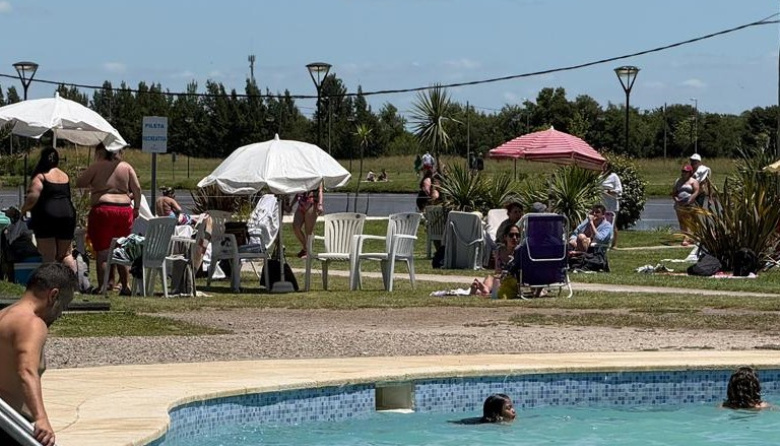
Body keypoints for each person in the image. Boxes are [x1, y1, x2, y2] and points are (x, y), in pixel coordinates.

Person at [0, 263, 77, 446]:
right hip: (12, 426)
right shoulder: (32, 324)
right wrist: (41, 418)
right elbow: (26, 370)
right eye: (63, 306)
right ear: (53, 295)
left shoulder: (3, 315)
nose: (60, 314)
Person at [76, 143, 141, 295]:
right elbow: (137, 189)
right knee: (121, 249)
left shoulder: (97, 166)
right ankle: (125, 286)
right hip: (125, 209)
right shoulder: (126, 167)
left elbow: (80, 182)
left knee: (103, 252)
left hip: (103, 208)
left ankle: (103, 286)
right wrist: (136, 207)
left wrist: (95, 181)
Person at [20, 148, 77, 273]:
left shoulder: (41, 176)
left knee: (49, 255)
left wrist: (23, 210)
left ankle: (50, 284)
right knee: (66, 254)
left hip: (47, 216)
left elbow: (32, 197)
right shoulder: (64, 175)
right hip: (68, 215)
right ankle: (72, 286)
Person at [471, 225, 521, 297]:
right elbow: (497, 271)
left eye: (517, 235)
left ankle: (484, 290)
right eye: (511, 235)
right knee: (490, 278)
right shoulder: (499, 251)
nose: (514, 238)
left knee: (497, 282)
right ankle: (483, 289)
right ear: (505, 237)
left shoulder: (520, 251)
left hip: (513, 280)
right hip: (500, 279)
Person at [291, 182, 324, 258]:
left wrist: (320, 204)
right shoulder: (302, 176)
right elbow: (297, 193)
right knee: (296, 227)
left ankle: (307, 251)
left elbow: (320, 191)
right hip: (301, 203)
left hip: (311, 203)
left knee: (308, 231)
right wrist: (291, 205)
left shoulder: (317, 176)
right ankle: (306, 247)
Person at [672, 164, 700, 247]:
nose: (684, 173)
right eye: (683, 171)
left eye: (686, 172)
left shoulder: (693, 181)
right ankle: (685, 237)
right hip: (679, 204)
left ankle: (690, 237)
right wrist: (676, 198)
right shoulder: (678, 181)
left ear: (690, 173)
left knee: (689, 221)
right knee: (682, 221)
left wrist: (690, 199)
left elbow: (696, 191)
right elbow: (674, 192)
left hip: (689, 204)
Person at [601, 162, 622, 248]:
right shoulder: (600, 177)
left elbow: (619, 190)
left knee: (612, 223)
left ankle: (614, 244)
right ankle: (604, 241)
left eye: (605, 167)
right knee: (603, 223)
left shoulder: (614, 176)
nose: (603, 168)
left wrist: (610, 191)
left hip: (612, 203)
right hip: (602, 203)